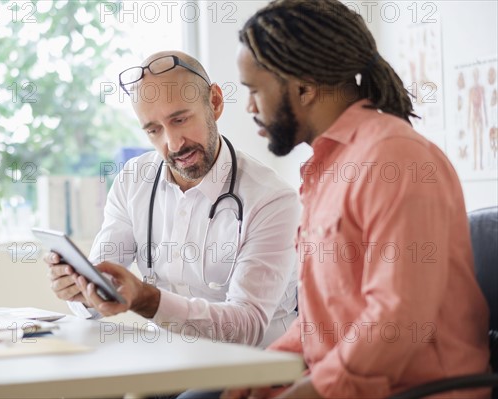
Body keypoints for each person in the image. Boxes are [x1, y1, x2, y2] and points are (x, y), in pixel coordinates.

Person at [183, 1, 491, 398]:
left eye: (256, 90)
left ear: (306, 87)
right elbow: (324, 319)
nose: (250, 107)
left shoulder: (395, 159)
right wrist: (266, 369)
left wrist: (313, 390)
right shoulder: (327, 169)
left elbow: (396, 319)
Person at [45, 51, 299, 348]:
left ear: (214, 102)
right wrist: (81, 290)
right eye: (154, 130)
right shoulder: (133, 181)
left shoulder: (272, 199)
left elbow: (246, 327)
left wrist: (146, 299)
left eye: (180, 119)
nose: (173, 144)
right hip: (168, 359)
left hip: (250, 367)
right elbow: (104, 278)